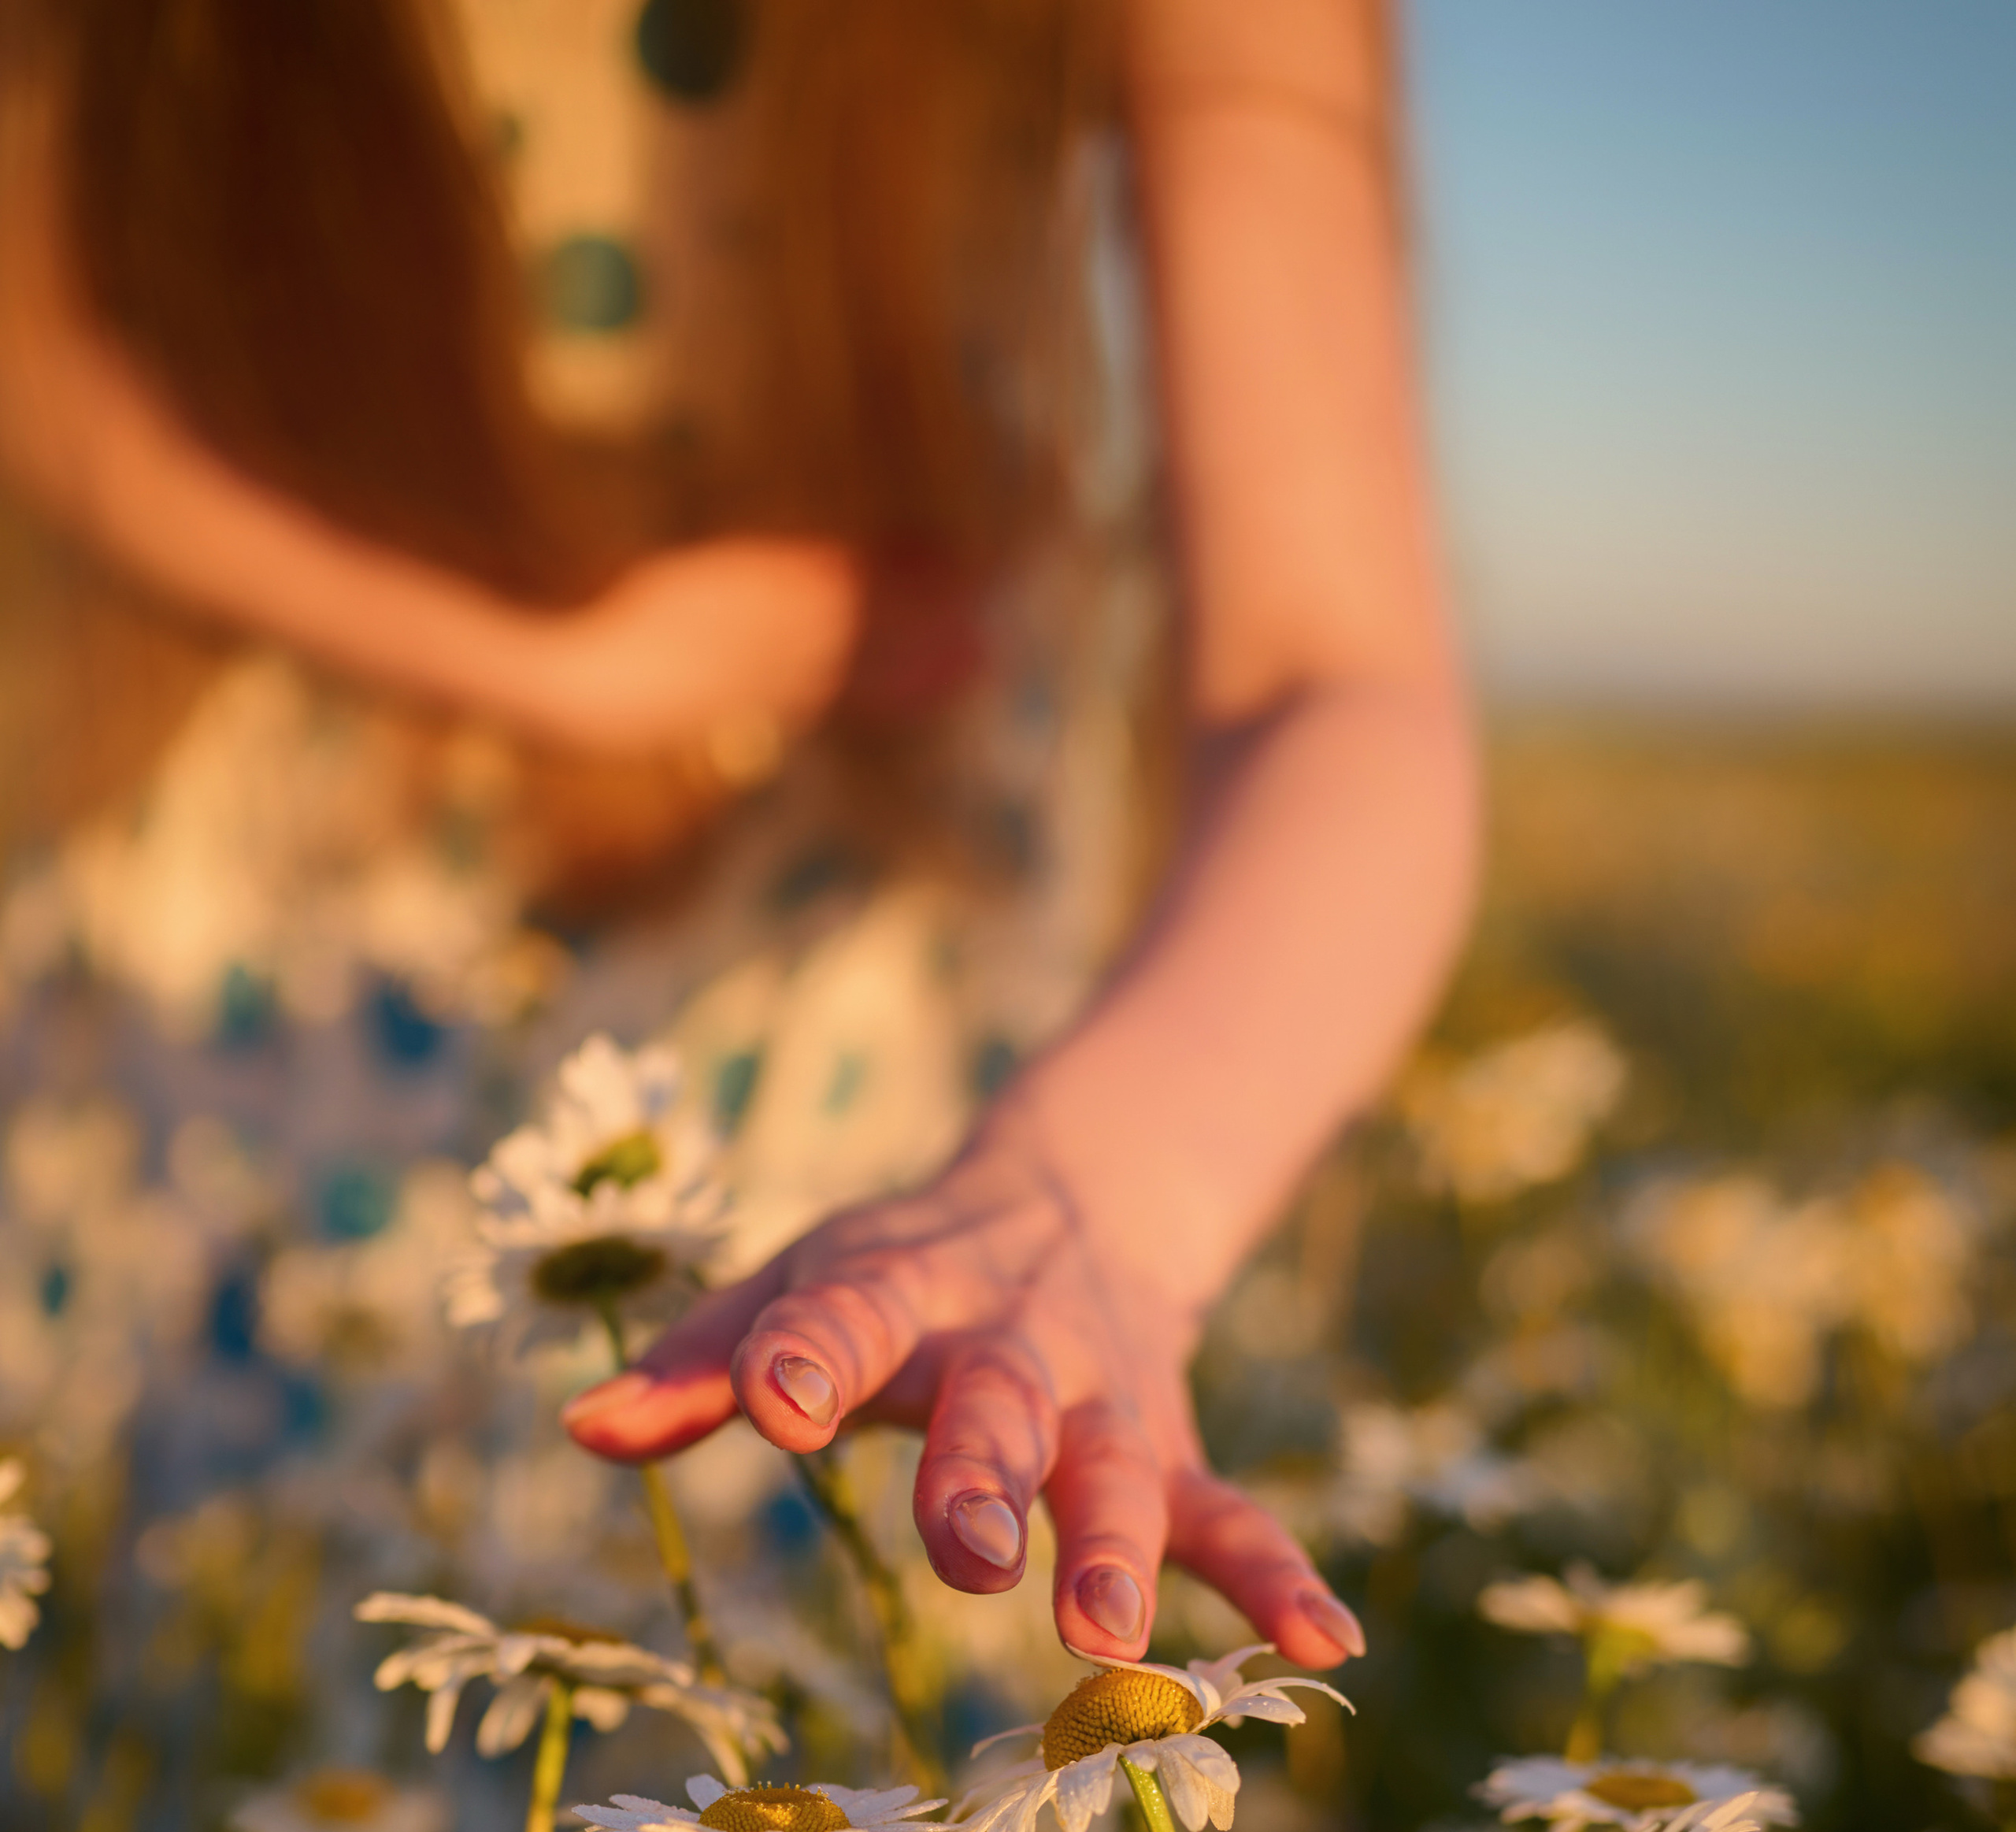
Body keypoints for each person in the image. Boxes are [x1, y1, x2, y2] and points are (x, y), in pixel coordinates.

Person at [0, 0, 1474, 1675]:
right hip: (259, 958)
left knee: (812, 1717)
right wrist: (539, 667)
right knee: (213, 1659)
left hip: (859, 1024)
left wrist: (1099, 1191)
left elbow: (1331, 677)